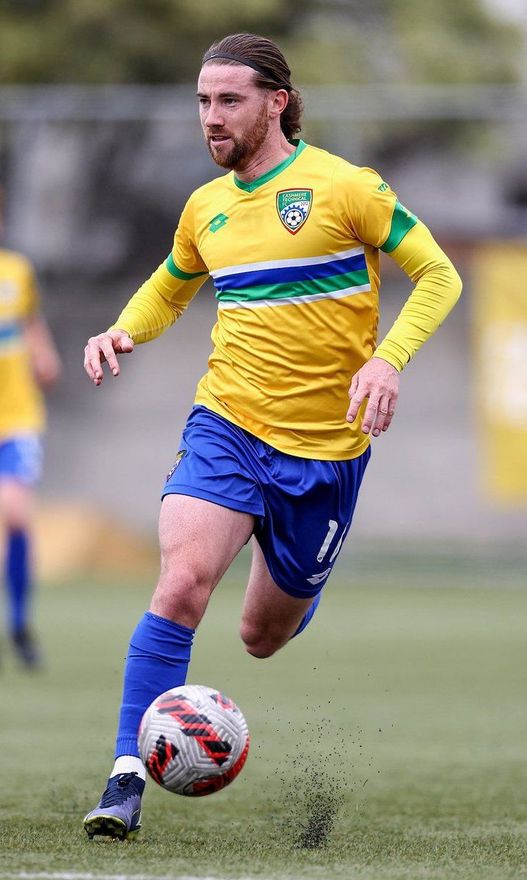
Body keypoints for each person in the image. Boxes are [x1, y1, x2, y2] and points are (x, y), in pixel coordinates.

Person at [83, 33, 462, 840]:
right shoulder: (206, 207)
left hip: (324, 455)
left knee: (261, 637)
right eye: (201, 102)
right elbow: (170, 284)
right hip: (227, 424)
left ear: (275, 102)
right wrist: (122, 330)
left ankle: (289, 573)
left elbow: (439, 274)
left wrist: (388, 360)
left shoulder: (342, 187)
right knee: (182, 584)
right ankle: (123, 777)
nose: (210, 118)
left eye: (227, 101)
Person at [0, 186, 61, 667]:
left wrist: (43, 352)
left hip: (17, 416)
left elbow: (29, 319)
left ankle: (19, 624)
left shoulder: (16, 271)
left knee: (16, 514)